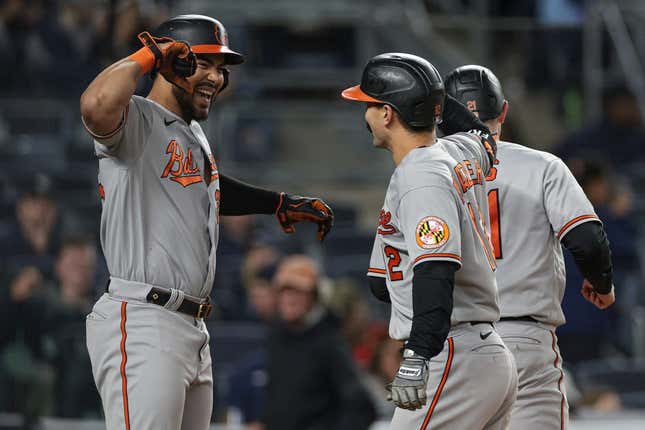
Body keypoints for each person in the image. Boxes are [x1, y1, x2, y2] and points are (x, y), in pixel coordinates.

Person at [79, 14, 334, 430]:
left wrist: (278, 203)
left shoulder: (190, 132)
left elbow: (206, 190)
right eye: (205, 63)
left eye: (222, 68)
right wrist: (150, 55)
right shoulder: (137, 120)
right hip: (144, 317)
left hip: (190, 328)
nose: (217, 78)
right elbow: (94, 105)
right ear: (171, 60)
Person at [342, 53, 517, 429]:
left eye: (369, 105)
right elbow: (483, 137)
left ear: (387, 114)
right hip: (482, 353)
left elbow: (436, 269)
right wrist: (430, 94)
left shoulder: (422, 177)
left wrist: (418, 353)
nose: (365, 114)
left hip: (449, 356)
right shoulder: (456, 152)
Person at [444, 65, 615, 429]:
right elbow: (586, 239)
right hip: (521, 338)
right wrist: (601, 284)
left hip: (452, 345)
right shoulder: (541, 166)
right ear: (503, 111)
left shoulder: (423, 174)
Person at [263, 255, 376, 430]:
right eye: (284, 291)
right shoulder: (276, 338)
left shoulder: (329, 343)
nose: (289, 299)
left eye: (298, 291)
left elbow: (362, 408)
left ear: (315, 296)